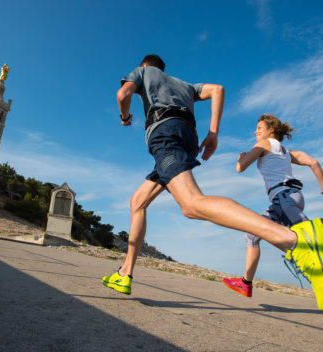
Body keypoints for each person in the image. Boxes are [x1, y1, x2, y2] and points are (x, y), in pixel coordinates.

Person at [101, 54, 323, 310]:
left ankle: (293, 240)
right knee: (138, 202)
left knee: (192, 204)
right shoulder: (184, 85)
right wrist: (213, 133)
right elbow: (217, 89)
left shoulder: (143, 73)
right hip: (188, 138)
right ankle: (124, 273)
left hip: (165, 135)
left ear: (145, 66)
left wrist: (125, 116)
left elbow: (122, 95)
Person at [223, 114, 323, 297]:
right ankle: (246, 282)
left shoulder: (264, 144)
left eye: (259, 128)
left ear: (271, 130)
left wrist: (241, 157)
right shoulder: (285, 152)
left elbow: (240, 168)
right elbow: (313, 162)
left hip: (285, 198)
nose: (255, 131)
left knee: (311, 242)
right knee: (253, 234)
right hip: (285, 198)